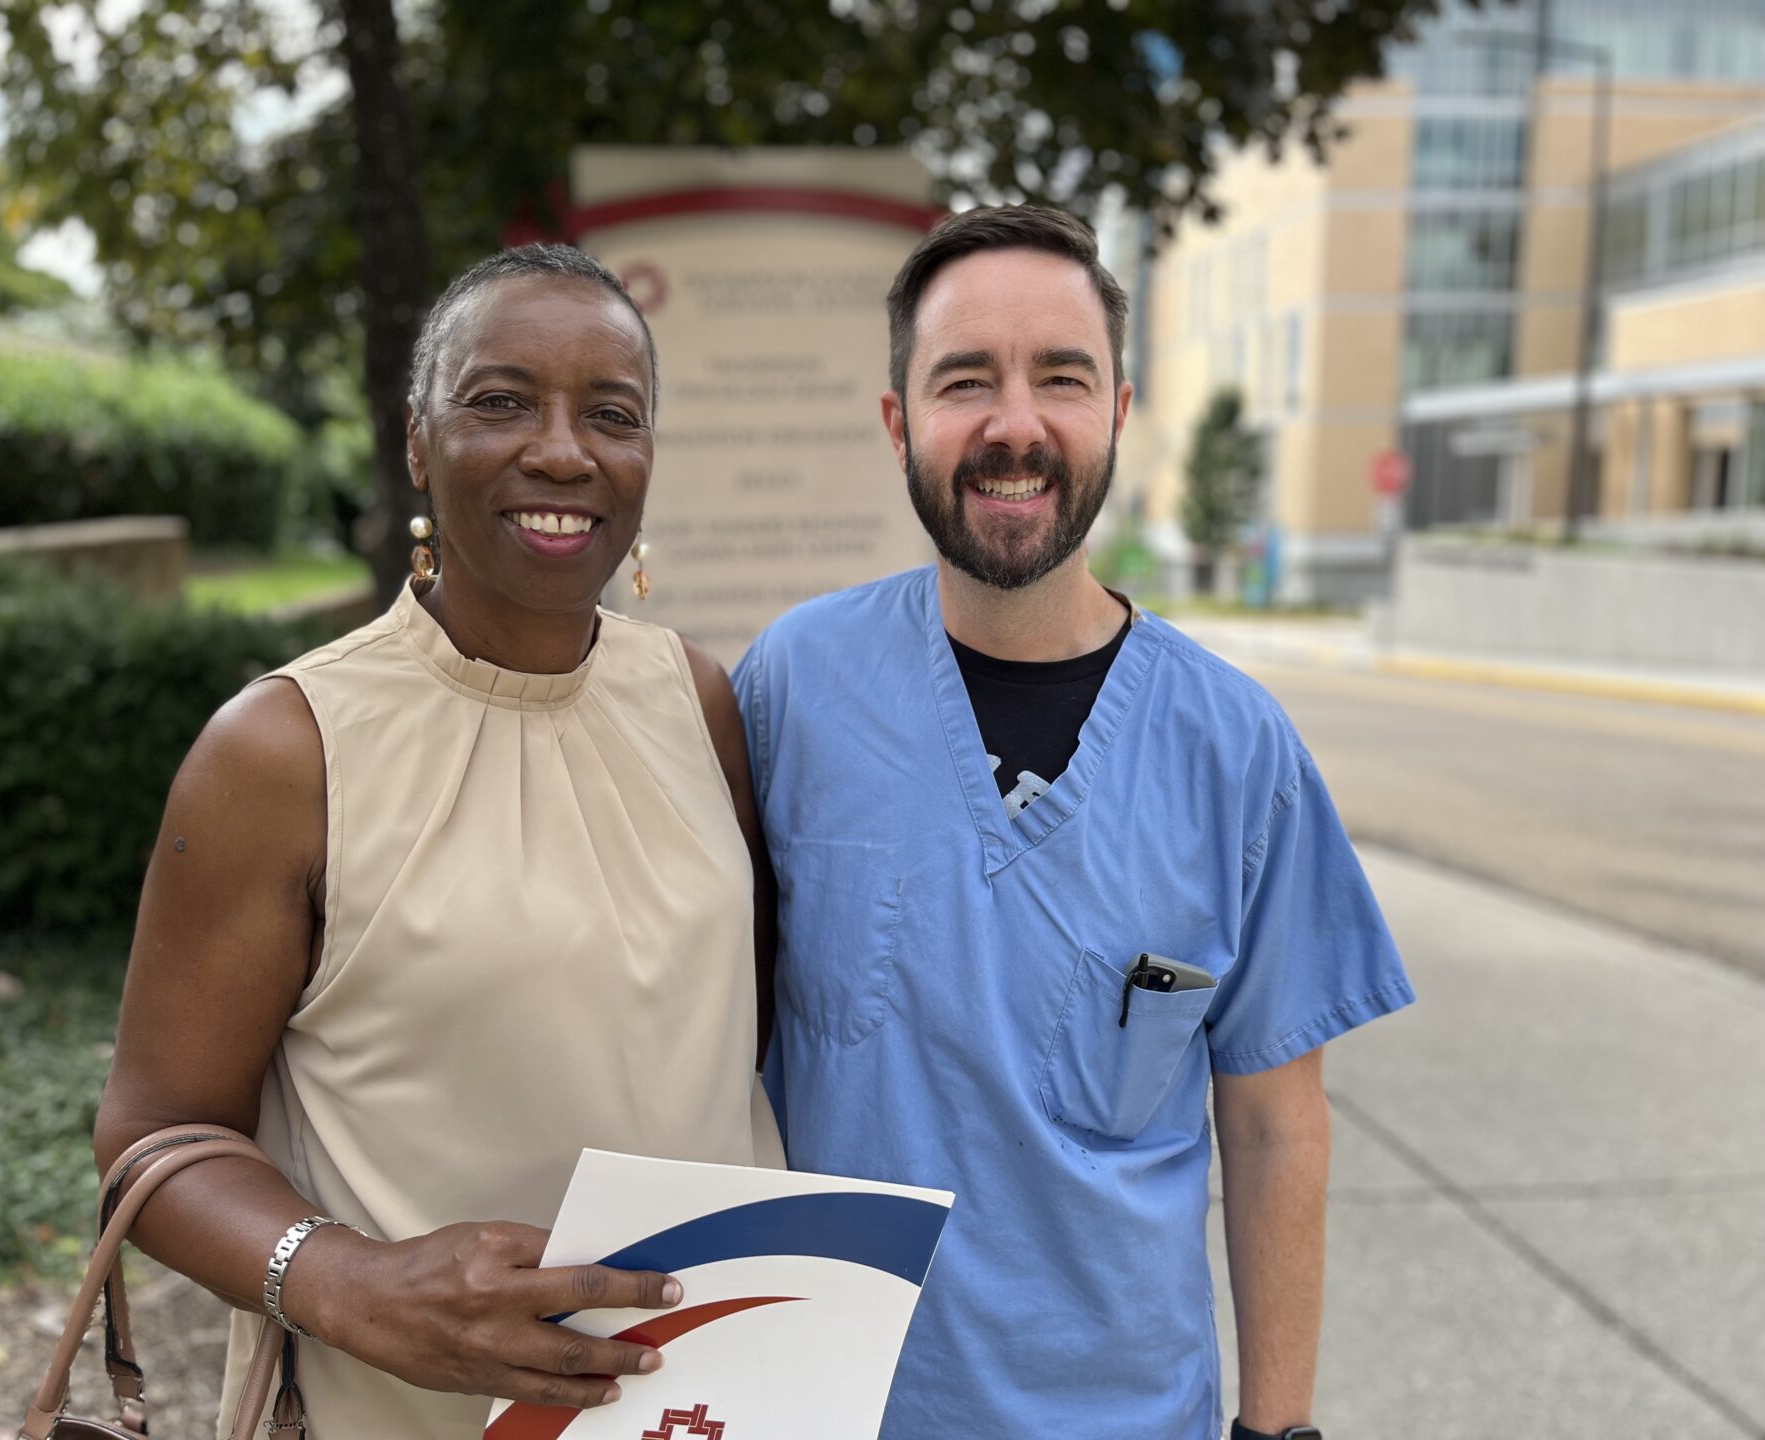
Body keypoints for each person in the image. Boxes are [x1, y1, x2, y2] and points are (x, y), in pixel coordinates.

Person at [732, 206, 1413, 1440]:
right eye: (964, 382)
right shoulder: (793, 688)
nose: (1014, 424)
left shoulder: (1235, 746)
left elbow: (1271, 1123)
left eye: (1062, 377)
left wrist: (1281, 1428)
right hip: (832, 1406)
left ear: (1117, 410)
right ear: (899, 425)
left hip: (1126, 1411)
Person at [94, 243, 782, 1439]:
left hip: (703, 1404)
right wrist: (346, 1281)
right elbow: (154, 1136)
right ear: (418, 440)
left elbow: (724, 1043)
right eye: (501, 401)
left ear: (647, 457)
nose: (562, 450)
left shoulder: (699, 701)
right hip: (403, 1412)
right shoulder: (283, 747)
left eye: (610, 415)